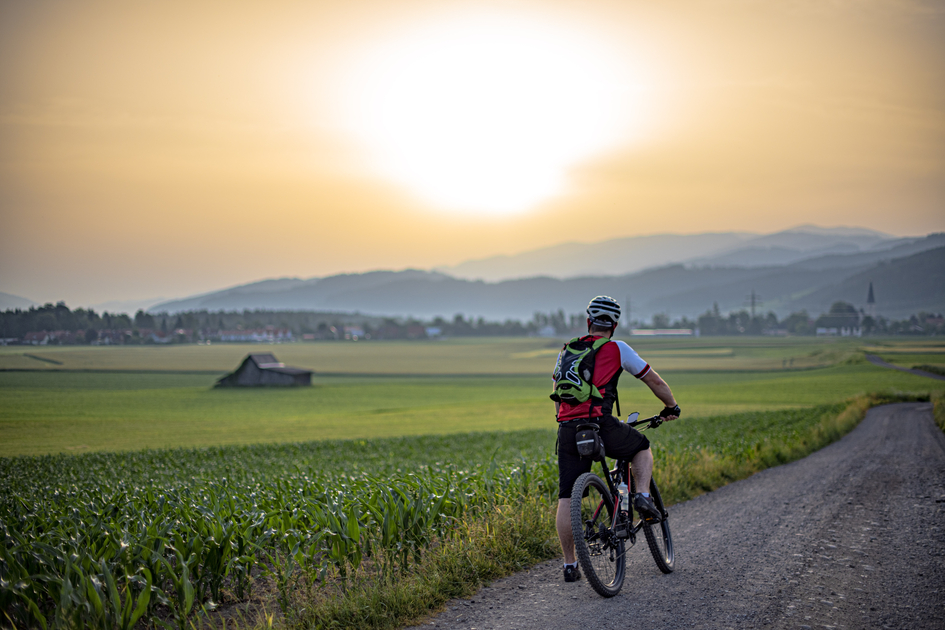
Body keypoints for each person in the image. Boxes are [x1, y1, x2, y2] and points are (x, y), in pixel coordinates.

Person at [553, 295, 680, 583]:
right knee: (641, 447)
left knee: (567, 496)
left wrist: (566, 422)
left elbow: (558, 393)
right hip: (600, 423)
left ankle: (570, 565)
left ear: (588, 321)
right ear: (614, 325)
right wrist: (671, 406)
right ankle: (642, 496)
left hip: (568, 428)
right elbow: (654, 380)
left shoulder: (567, 350)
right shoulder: (617, 348)